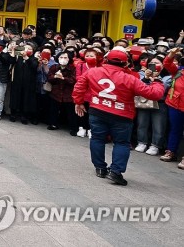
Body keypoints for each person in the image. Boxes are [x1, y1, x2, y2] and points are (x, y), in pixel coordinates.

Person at [73, 47, 164, 186]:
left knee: (97, 138)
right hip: (122, 115)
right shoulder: (130, 78)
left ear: (106, 59)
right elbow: (154, 94)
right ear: (125, 63)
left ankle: (100, 168)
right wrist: (157, 82)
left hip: (98, 110)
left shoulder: (93, 71)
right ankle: (115, 172)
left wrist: (78, 102)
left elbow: (79, 86)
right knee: (121, 143)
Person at [160, 47, 184, 169]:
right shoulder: (178, 72)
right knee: (175, 129)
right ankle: (170, 152)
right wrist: (172, 53)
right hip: (175, 105)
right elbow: (167, 63)